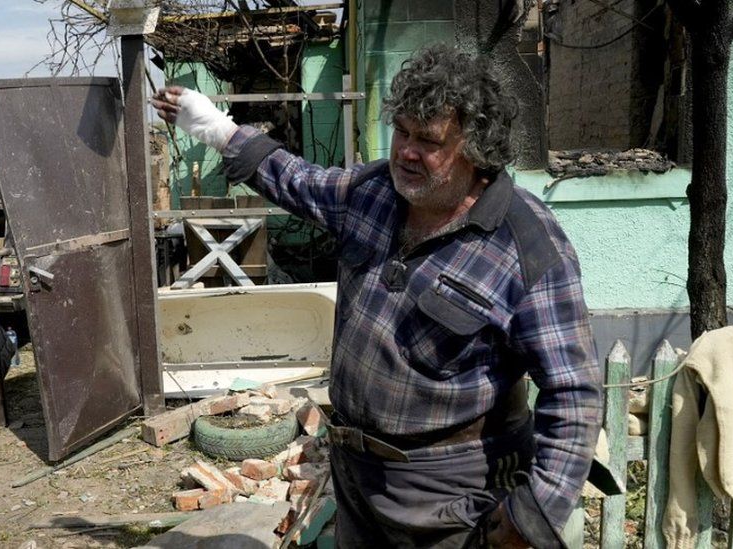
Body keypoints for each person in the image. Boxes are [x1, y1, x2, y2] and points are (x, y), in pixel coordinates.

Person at [154, 44, 602, 548]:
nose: (406, 151)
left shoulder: (527, 245)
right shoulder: (373, 191)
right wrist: (216, 128)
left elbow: (575, 393)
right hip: (356, 473)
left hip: (452, 491)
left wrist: (533, 513)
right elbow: (298, 181)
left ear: (476, 150)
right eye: (402, 131)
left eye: (428, 141)